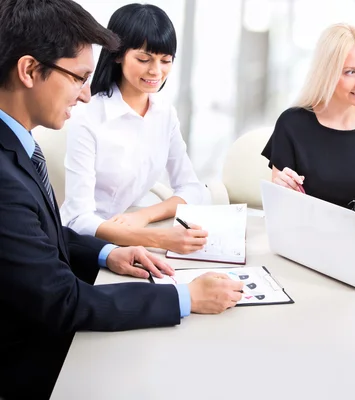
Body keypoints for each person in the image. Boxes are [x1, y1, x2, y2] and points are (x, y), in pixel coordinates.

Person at [0, 1, 242, 398]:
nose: (83, 95)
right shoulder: (8, 174)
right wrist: (184, 296)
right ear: (29, 70)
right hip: (31, 357)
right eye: (78, 78)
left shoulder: (18, 146)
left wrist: (107, 253)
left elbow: (42, 233)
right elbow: (62, 300)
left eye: (166, 60)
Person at [61, 3, 209, 254]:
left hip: (133, 235)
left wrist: (145, 217)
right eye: (144, 59)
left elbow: (193, 189)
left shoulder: (164, 112)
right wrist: (157, 239)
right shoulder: (88, 115)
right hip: (84, 247)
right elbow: (78, 219)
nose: (156, 71)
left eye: (166, 60)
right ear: (117, 54)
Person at [261, 23, 355, 241]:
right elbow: (279, 206)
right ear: (328, 74)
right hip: (296, 236)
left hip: (348, 240)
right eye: (351, 72)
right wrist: (281, 187)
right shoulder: (292, 123)